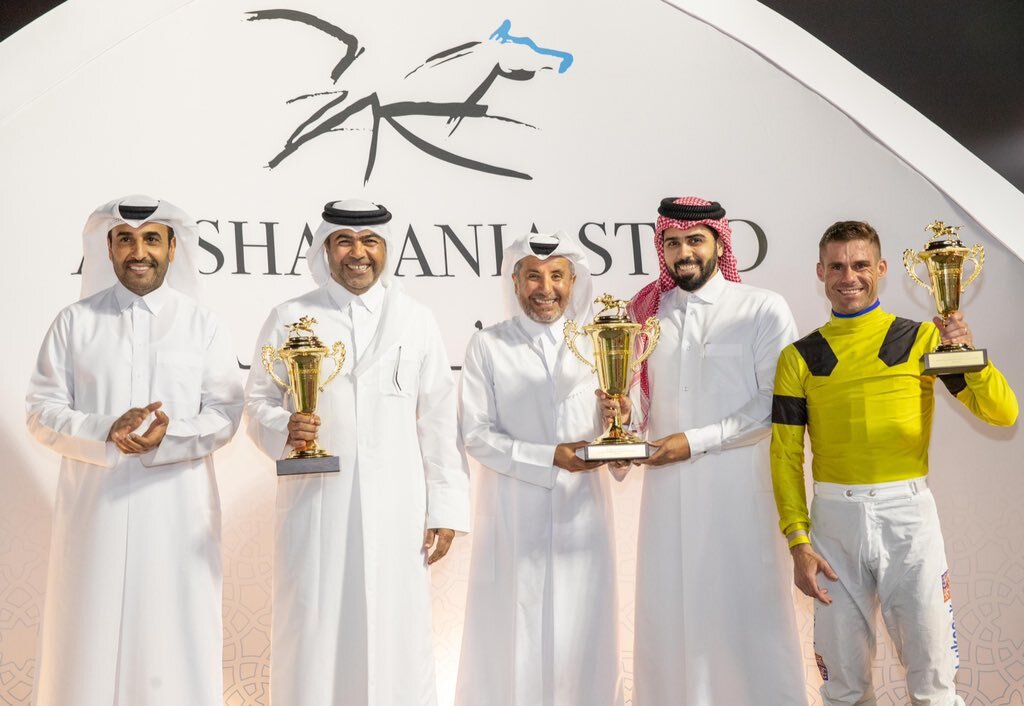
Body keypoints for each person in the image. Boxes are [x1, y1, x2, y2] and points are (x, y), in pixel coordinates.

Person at [770, 220, 1017, 706]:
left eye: (860, 265)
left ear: (881, 269)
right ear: (820, 272)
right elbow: (784, 455)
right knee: (844, 687)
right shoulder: (798, 357)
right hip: (832, 525)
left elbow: (1003, 412)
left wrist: (967, 354)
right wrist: (797, 540)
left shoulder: (924, 339)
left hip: (908, 518)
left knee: (933, 683)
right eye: (837, 266)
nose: (849, 277)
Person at [244, 199, 469, 706]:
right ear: (326, 248)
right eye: (344, 241)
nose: (358, 253)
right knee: (316, 629)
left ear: (385, 249)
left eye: (369, 242)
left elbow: (437, 419)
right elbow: (256, 401)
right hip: (318, 501)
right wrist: (286, 426)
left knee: (397, 634)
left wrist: (446, 507)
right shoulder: (291, 316)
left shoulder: (416, 319)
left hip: (399, 509)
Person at [26, 195, 242, 706]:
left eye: (150, 239)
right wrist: (105, 427)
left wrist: (168, 436)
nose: (138, 251)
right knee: (86, 640)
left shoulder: (202, 325)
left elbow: (226, 413)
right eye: (125, 239)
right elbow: (41, 411)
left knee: (175, 641)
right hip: (95, 513)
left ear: (172, 247)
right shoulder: (73, 323)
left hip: (178, 516)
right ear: (109, 248)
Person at [626, 196, 808, 705]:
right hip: (665, 500)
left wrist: (694, 442)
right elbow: (639, 408)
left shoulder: (761, 308)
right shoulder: (643, 312)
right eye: (673, 243)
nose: (684, 252)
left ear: (720, 243)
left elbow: (775, 404)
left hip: (737, 500)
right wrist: (618, 420)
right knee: (668, 621)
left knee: (747, 621)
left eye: (695, 240)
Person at [455, 232, 624, 706]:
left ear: (574, 281)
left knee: (583, 632)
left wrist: (620, 421)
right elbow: (477, 435)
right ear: (515, 282)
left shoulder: (598, 345)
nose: (545, 287)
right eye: (533, 275)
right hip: (513, 514)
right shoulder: (488, 345)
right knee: (515, 633)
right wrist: (548, 456)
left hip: (583, 517)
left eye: (556, 276)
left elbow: (615, 440)